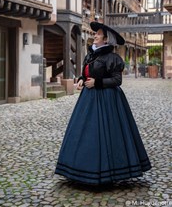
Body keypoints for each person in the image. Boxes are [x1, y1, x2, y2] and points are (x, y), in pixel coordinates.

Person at [55, 22, 151, 185]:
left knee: (105, 133)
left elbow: (117, 80)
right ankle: (80, 170)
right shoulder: (91, 55)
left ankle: (109, 171)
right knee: (83, 132)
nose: (95, 36)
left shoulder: (113, 58)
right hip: (88, 99)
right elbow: (86, 74)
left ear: (106, 40)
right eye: (95, 34)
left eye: (98, 34)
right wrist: (81, 80)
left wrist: (98, 83)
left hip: (108, 100)